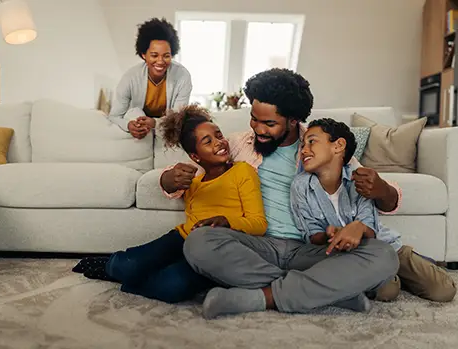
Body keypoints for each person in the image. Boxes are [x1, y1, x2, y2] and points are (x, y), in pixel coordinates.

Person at [160, 68, 401, 319]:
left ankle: (262, 297)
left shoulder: (319, 146)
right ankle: (330, 291)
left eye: (269, 123)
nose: (258, 129)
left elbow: (387, 200)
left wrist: (382, 189)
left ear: (293, 120)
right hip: (255, 248)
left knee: (383, 256)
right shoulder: (238, 143)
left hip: (311, 251)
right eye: (254, 118)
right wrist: (169, 179)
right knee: (199, 242)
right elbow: (194, 171)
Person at [72, 105, 267, 304]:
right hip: (181, 238)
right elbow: (168, 182)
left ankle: (129, 282)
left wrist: (226, 221)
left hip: (214, 251)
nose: (219, 143)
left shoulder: (242, 171)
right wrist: (169, 178)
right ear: (195, 156)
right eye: (208, 141)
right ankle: (113, 267)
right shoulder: (193, 180)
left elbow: (259, 224)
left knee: (172, 286)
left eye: (219, 135)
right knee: (127, 264)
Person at [290, 118, 456, 304]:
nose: (304, 149)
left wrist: (358, 228)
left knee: (444, 291)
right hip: (349, 258)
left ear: (338, 146)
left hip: (385, 246)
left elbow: (370, 224)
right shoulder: (300, 186)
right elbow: (310, 233)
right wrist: (330, 235)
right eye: (302, 144)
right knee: (387, 291)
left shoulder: (360, 179)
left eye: (311, 141)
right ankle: (394, 276)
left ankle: (415, 266)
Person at [108, 18, 192, 139]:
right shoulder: (130, 77)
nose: (160, 61)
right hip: (138, 122)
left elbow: (178, 118)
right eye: (154, 55)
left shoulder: (182, 76)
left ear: (172, 54)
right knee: (134, 113)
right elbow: (114, 116)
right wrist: (128, 125)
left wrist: (155, 123)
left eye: (166, 56)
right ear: (144, 55)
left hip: (167, 128)